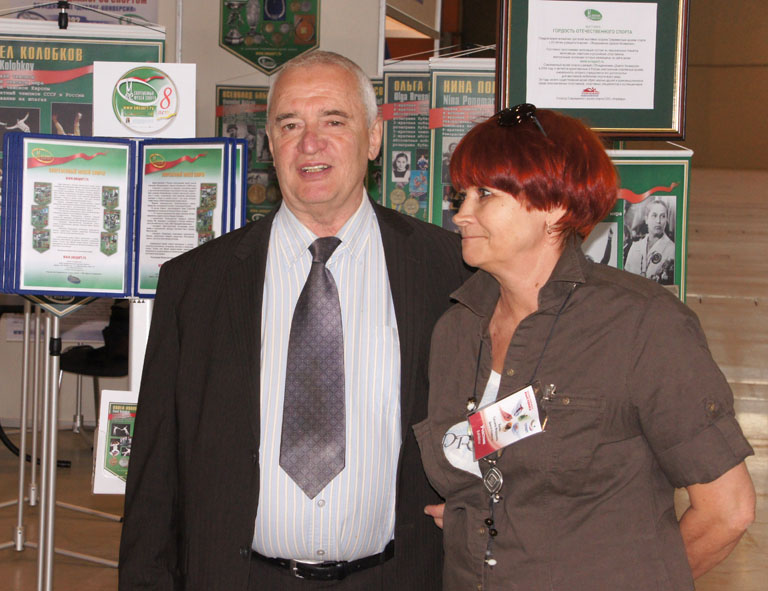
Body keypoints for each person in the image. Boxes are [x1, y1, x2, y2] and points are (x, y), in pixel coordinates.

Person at [119, 51, 469, 591]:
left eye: (334, 121)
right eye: (289, 125)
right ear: (270, 143)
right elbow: (155, 471)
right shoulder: (196, 283)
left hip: (399, 576)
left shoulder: (451, 271)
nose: (310, 143)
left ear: (374, 138)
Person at [414, 105, 755, 591]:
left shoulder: (641, 325)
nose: (461, 213)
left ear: (554, 204)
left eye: (484, 194)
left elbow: (728, 512)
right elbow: (498, 465)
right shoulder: (457, 330)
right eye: (461, 194)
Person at [625, 198, 676, 283]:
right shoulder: (635, 247)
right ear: (646, 219)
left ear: (666, 220)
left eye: (663, 216)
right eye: (654, 215)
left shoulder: (672, 249)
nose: (658, 221)